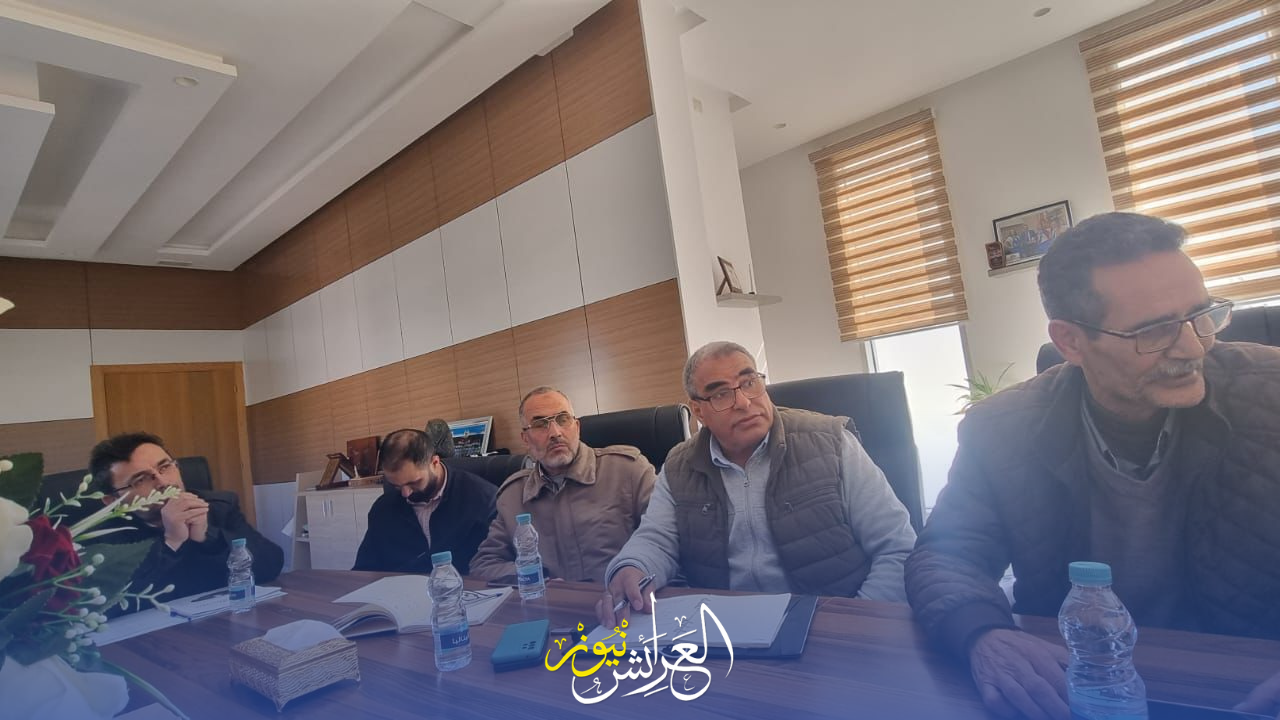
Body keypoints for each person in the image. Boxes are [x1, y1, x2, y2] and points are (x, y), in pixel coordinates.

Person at [905, 211, 1280, 720]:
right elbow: (946, 556)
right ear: (1071, 341)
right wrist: (983, 634)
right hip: (1078, 683)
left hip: (1245, 679)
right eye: (1155, 330)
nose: (1194, 346)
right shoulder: (1001, 428)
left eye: (1203, 315)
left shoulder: (1271, 392)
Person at [598, 341, 916, 627]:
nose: (743, 402)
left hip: (832, 624)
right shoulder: (680, 465)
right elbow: (657, 540)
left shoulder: (831, 442)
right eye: (721, 394)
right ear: (698, 411)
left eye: (749, 383)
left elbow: (897, 548)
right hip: (726, 633)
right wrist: (632, 568)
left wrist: (854, 621)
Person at [470, 387, 656, 583]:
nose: (555, 433)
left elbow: (664, 538)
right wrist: (537, 576)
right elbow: (484, 564)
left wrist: (634, 571)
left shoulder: (628, 470)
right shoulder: (513, 495)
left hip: (624, 598)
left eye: (563, 419)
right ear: (525, 439)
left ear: (577, 427)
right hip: (554, 601)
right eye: (540, 424)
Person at [82, 432, 283, 610]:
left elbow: (271, 564)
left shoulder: (219, 506)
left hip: (225, 621)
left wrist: (208, 537)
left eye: (165, 467)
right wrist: (171, 542)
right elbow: (111, 606)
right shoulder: (103, 538)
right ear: (113, 501)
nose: (163, 482)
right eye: (140, 480)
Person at [353, 423, 495, 575]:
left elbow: (494, 564)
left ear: (435, 463)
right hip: (401, 587)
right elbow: (364, 570)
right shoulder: (383, 509)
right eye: (396, 486)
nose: (406, 493)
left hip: (462, 585)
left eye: (414, 482)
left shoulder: (482, 499)